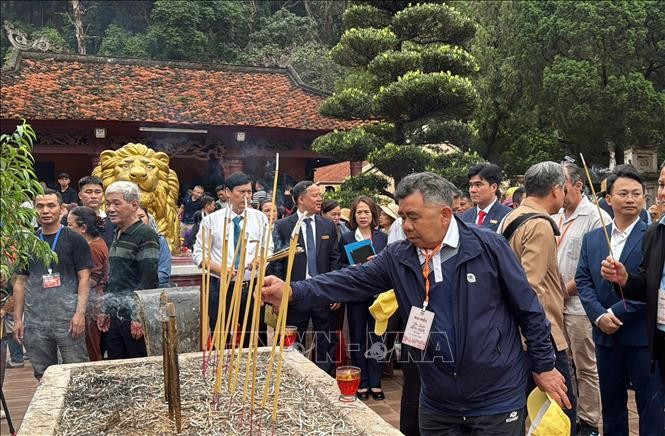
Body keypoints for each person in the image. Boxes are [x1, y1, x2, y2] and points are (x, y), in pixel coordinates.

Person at [262, 172, 570, 435]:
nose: (406, 225)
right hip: (436, 398)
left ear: (445, 214)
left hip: (495, 395)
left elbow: (528, 309)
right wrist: (293, 291)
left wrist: (544, 365)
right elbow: (350, 280)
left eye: (413, 217)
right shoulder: (399, 256)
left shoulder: (488, 247)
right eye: (402, 217)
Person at [577, 164, 664, 435]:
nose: (630, 199)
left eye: (637, 194)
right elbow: (583, 280)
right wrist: (599, 315)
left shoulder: (652, 235)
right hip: (604, 336)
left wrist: (616, 311)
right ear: (608, 199)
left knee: (650, 406)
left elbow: (652, 285)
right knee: (612, 406)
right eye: (623, 193)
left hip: (642, 337)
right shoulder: (592, 238)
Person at [498, 161, 577, 433]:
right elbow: (531, 290)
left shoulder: (512, 216)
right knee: (560, 412)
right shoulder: (540, 225)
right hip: (543, 336)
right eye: (564, 190)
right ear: (556, 190)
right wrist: (539, 346)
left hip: (516, 334)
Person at [551, 162, 609, 436]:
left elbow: (598, 266)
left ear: (578, 186)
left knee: (586, 366)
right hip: (556, 304)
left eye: (562, 187)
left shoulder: (596, 217)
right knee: (563, 365)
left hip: (579, 306)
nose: (558, 193)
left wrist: (565, 289)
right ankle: (567, 416)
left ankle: (589, 420)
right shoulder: (557, 215)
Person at [13, 189, 92, 379]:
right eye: (40, 206)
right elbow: (20, 282)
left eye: (51, 205)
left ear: (61, 209)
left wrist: (80, 313)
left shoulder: (75, 239)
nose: (45, 211)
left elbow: (84, 278)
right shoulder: (28, 242)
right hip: (36, 319)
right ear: (34, 210)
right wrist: (18, 319)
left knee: (77, 372)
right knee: (43, 374)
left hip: (67, 317)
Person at [601, 161, 665, 385]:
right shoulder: (656, 233)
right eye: (661, 185)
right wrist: (626, 280)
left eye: (636, 193)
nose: (663, 193)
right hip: (658, 335)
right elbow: (648, 286)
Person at [272, 180, 341, 376]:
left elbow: (335, 259)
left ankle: (326, 379)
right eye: (315, 195)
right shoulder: (283, 226)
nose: (320, 199)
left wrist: (336, 291)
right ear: (301, 199)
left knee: (326, 340)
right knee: (292, 340)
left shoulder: (328, 225)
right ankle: (292, 376)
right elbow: (276, 263)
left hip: (323, 291)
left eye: (320, 195)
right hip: (295, 293)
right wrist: (279, 296)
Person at [192, 172, 270, 346]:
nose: (246, 196)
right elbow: (198, 254)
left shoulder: (260, 218)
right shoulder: (211, 221)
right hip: (221, 286)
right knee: (221, 336)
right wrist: (219, 269)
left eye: (249, 192)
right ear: (227, 192)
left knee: (254, 337)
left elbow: (268, 249)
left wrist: (261, 259)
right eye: (241, 192)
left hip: (252, 286)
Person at [98, 181, 160, 359]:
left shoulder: (145, 234)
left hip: (132, 315)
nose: (110, 208)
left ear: (134, 205)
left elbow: (148, 279)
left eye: (117, 203)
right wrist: (105, 309)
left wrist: (138, 317)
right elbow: (114, 276)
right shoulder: (117, 233)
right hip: (116, 314)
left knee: (137, 366)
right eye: (108, 203)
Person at [340, 196, 388, 400]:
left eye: (366, 212)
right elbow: (338, 265)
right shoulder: (347, 238)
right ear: (353, 215)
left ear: (373, 215)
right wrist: (353, 267)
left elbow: (390, 263)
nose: (363, 215)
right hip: (356, 294)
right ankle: (362, 381)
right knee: (358, 338)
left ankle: (376, 381)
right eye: (359, 212)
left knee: (376, 338)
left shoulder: (382, 238)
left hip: (378, 296)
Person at [67, 206, 109, 361]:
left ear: (83, 228)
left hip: (92, 303)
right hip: (92, 300)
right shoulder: (94, 243)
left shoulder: (93, 247)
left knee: (91, 348)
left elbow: (92, 280)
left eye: (70, 225)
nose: (67, 229)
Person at [460, 163, 511, 231]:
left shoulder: (507, 215)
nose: (472, 190)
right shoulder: (466, 216)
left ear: (493, 187)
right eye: (471, 185)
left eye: (478, 185)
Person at [137, 206, 172, 288]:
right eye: (135, 217)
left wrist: (146, 285)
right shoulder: (125, 240)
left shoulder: (160, 240)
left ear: (148, 218)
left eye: (142, 216)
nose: (139, 220)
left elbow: (164, 272)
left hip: (155, 289)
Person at [78, 175, 115, 248]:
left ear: (103, 194)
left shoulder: (113, 221)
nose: (94, 196)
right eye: (88, 192)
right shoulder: (71, 220)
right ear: (80, 195)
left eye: (98, 192)